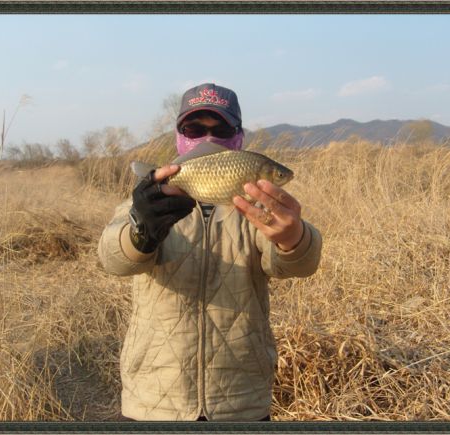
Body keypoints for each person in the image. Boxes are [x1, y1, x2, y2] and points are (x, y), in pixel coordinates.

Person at [98, 83, 322, 421]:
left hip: (241, 400)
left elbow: (297, 264)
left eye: (221, 130)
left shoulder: (260, 205)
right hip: (155, 400)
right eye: (194, 129)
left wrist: (293, 237)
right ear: (179, 134)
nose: (207, 139)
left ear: (239, 136)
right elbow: (111, 259)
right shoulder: (149, 198)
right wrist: (141, 231)